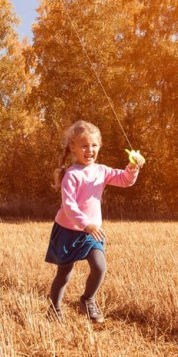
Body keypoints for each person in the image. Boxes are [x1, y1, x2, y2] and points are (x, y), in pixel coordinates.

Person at [45, 120, 144, 323]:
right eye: (84, 145)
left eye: (94, 145)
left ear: (99, 146)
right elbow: (69, 206)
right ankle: (54, 309)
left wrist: (133, 167)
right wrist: (86, 224)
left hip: (92, 232)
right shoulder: (71, 175)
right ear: (72, 147)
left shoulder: (102, 170)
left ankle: (87, 300)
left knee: (99, 267)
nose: (89, 150)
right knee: (64, 274)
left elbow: (124, 180)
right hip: (69, 230)